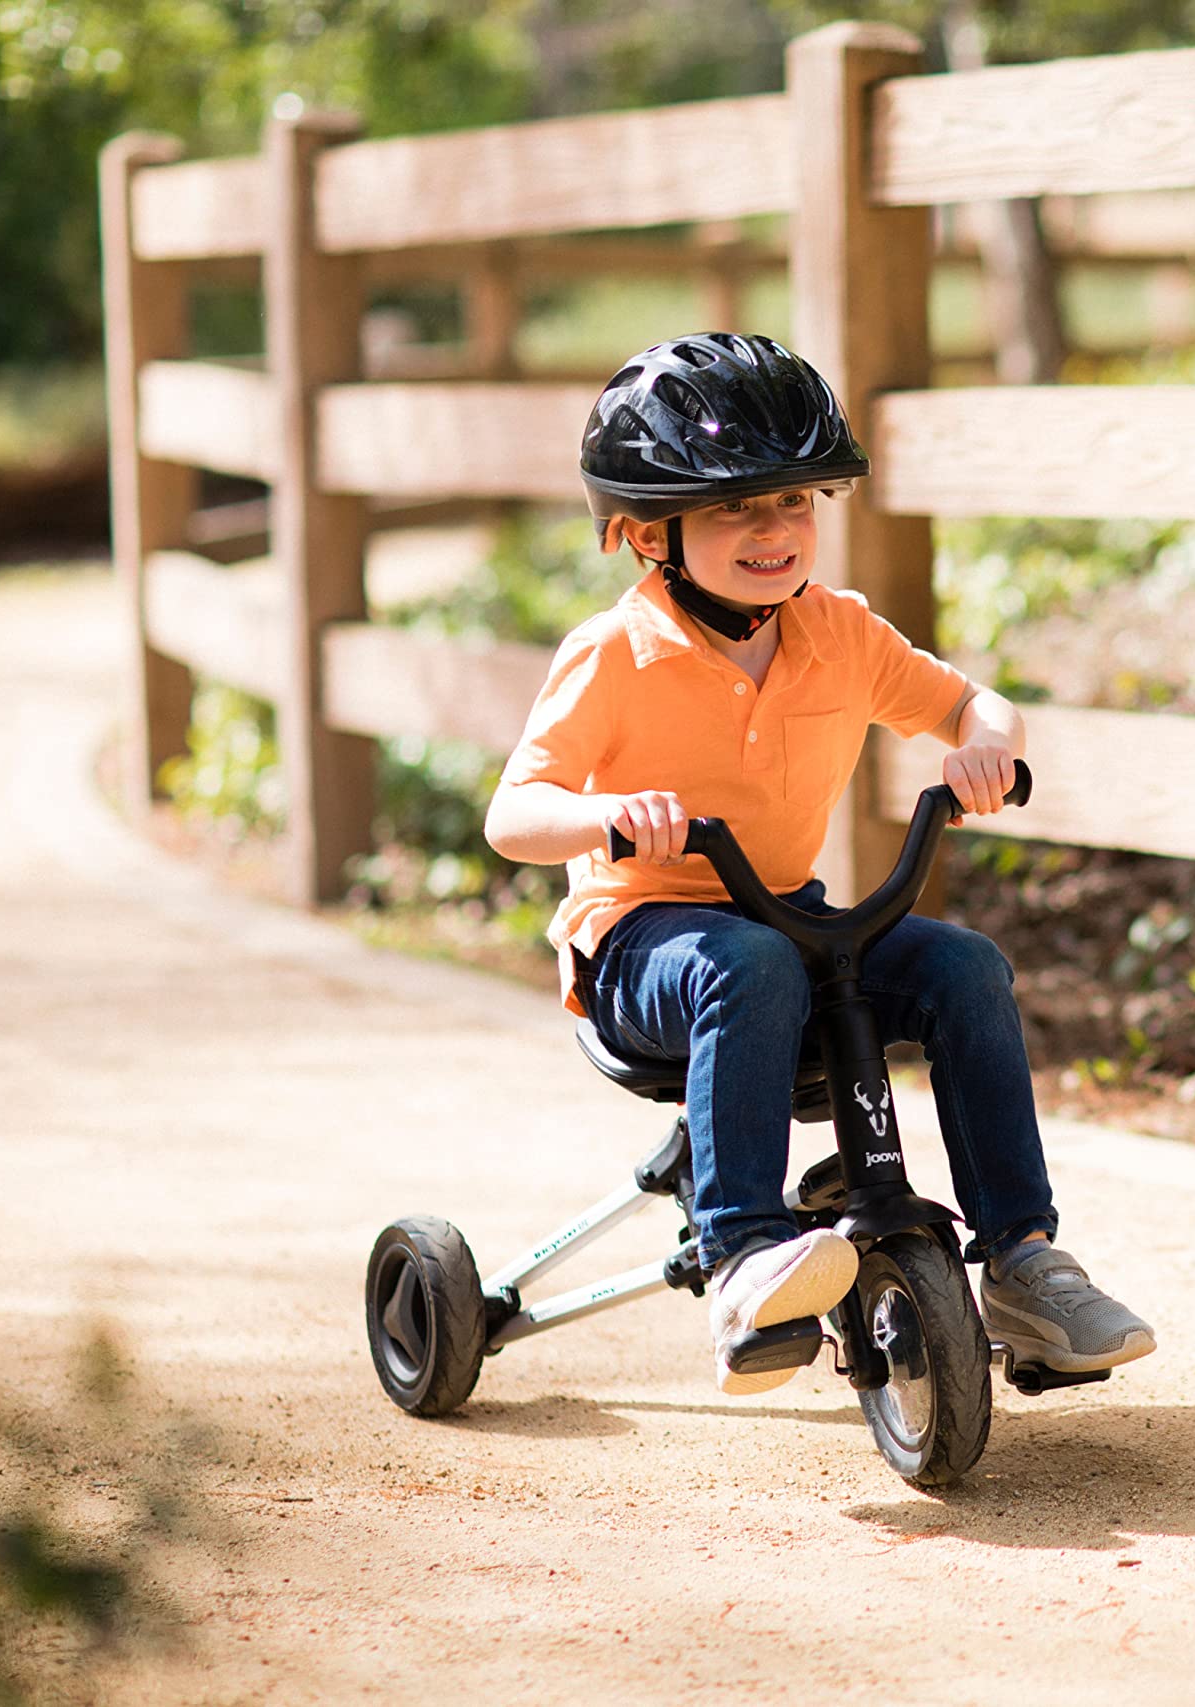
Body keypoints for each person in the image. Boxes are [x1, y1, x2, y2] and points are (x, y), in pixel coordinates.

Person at [484, 332, 1154, 1395]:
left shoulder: (837, 632)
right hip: (639, 946)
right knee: (744, 963)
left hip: (791, 926)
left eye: (794, 504)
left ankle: (1023, 1259)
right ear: (649, 533)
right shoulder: (613, 654)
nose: (773, 531)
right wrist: (606, 815)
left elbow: (973, 704)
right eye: (735, 510)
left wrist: (987, 747)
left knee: (962, 965)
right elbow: (512, 818)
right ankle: (744, 1256)